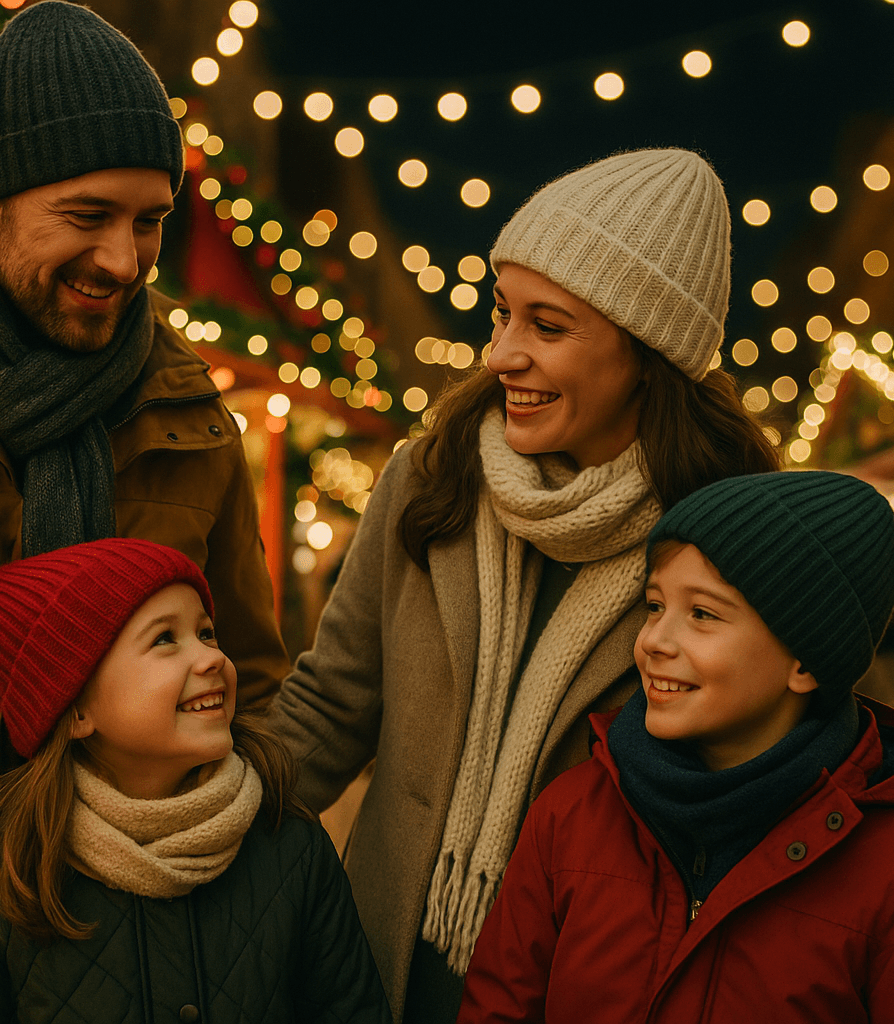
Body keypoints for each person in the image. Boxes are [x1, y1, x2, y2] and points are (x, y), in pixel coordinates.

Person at [269, 147, 781, 1022]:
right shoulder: (431, 480)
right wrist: (184, 809)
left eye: (548, 326)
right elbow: (329, 707)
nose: (503, 353)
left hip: (588, 989)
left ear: (648, 354)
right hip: (376, 969)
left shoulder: (735, 539)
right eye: (502, 314)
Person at [0, 3, 287, 1017]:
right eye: (87, 214)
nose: (123, 259)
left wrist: (242, 861)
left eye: (148, 221)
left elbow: (260, 689)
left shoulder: (189, 418)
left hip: (133, 957)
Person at [457, 471, 894, 1023]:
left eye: (703, 614)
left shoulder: (883, 866)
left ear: (806, 660)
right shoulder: (570, 814)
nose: (654, 642)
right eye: (656, 605)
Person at [0, 538, 390, 1024]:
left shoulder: (291, 848)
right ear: (74, 708)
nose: (210, 659)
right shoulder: (1, 880)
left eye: (207, 632)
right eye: (164, 639)